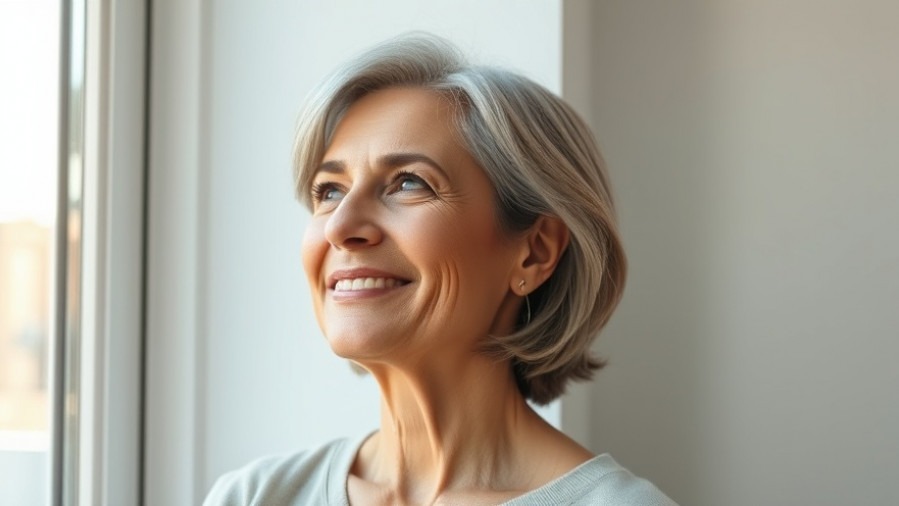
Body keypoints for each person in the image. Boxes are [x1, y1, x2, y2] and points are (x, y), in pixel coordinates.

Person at [204, 33, 677, 505]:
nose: (340, 227)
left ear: (535, 252)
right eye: (329, 191)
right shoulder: (253, 496)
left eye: (409, 183)